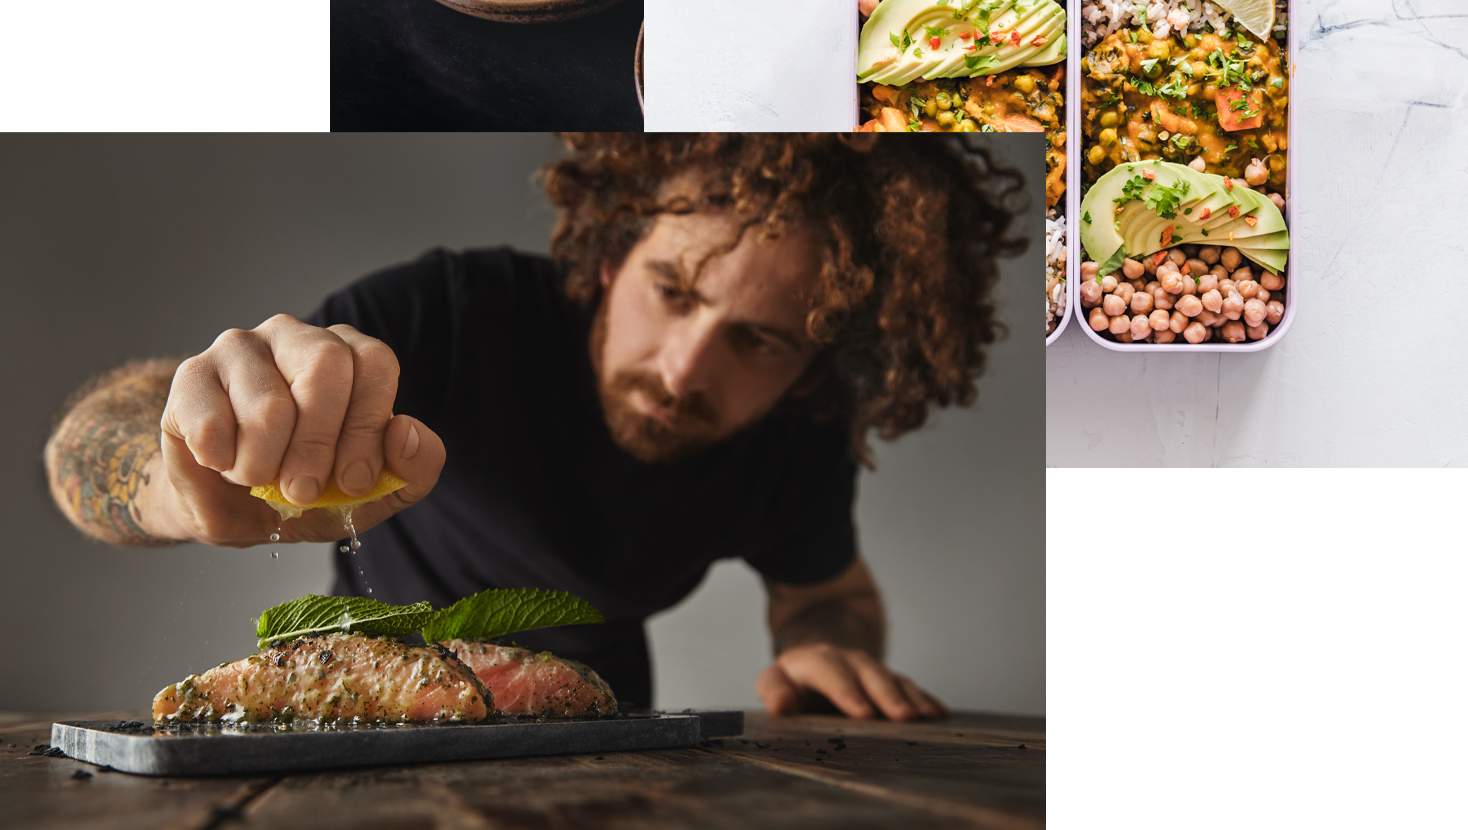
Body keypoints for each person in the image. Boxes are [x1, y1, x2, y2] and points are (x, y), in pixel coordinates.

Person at [45, 133, 1023, 720]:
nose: (684, 370)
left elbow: (830, 596)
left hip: (608, 745)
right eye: (671, 289)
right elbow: (89, 446)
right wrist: (177, 479)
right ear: (611, 254)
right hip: (368, 711)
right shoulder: (455, 313)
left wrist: (823, 648)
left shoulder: (799, 432)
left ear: (820, 359)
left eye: (760, 340)